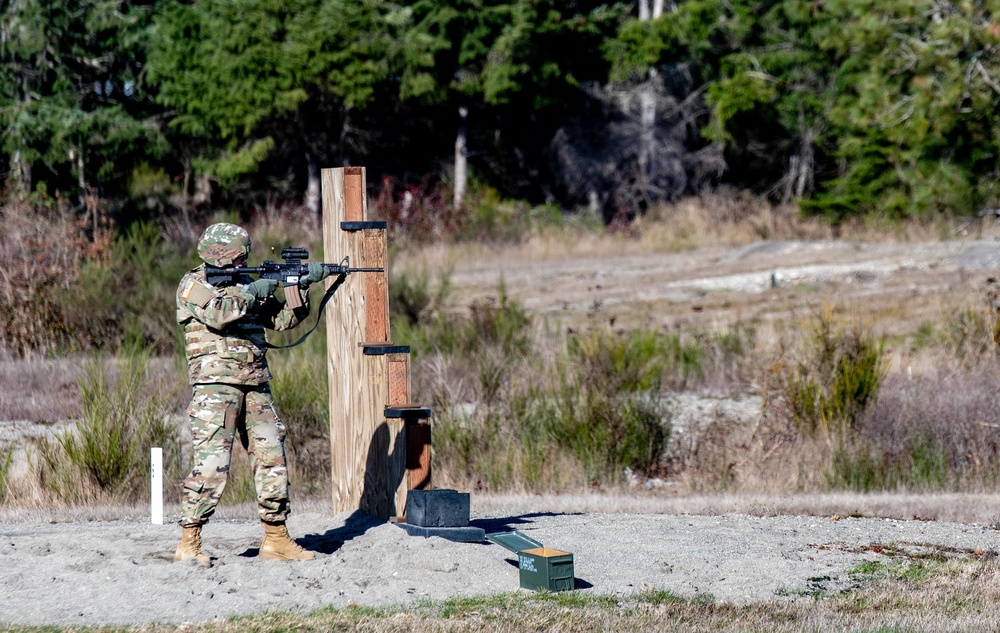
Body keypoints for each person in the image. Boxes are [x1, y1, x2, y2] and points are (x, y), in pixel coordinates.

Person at [173, 222, 329, 567]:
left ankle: (276, 538)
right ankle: (190, 540)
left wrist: (297, 287)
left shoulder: (246, 283)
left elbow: (284, 321)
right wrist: (259, 287)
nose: (244, 262)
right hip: (216, 388)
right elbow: (219, 313)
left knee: (272, 458)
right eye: (239, 256)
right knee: (213, 465)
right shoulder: (193, 284)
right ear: (225, 255)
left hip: (256, 383)